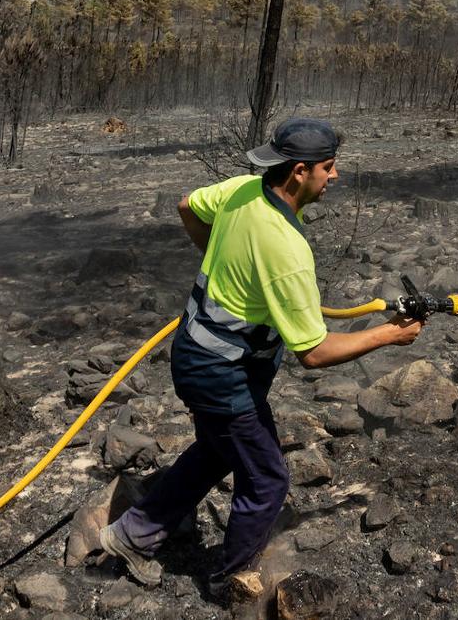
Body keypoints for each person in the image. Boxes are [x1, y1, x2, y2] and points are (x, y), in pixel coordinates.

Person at [99, 117, 424, 596]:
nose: (335, 177)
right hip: (220, 377)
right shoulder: (286, 249)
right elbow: (313, 353)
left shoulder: (244, 190)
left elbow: (187, 203)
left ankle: (130, 535)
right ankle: (229, 580)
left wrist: (215, 249)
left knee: (215, 451)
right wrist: (389, 338)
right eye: (329, 168)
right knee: (268, 479)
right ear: (298, 172)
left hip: (193, 354)